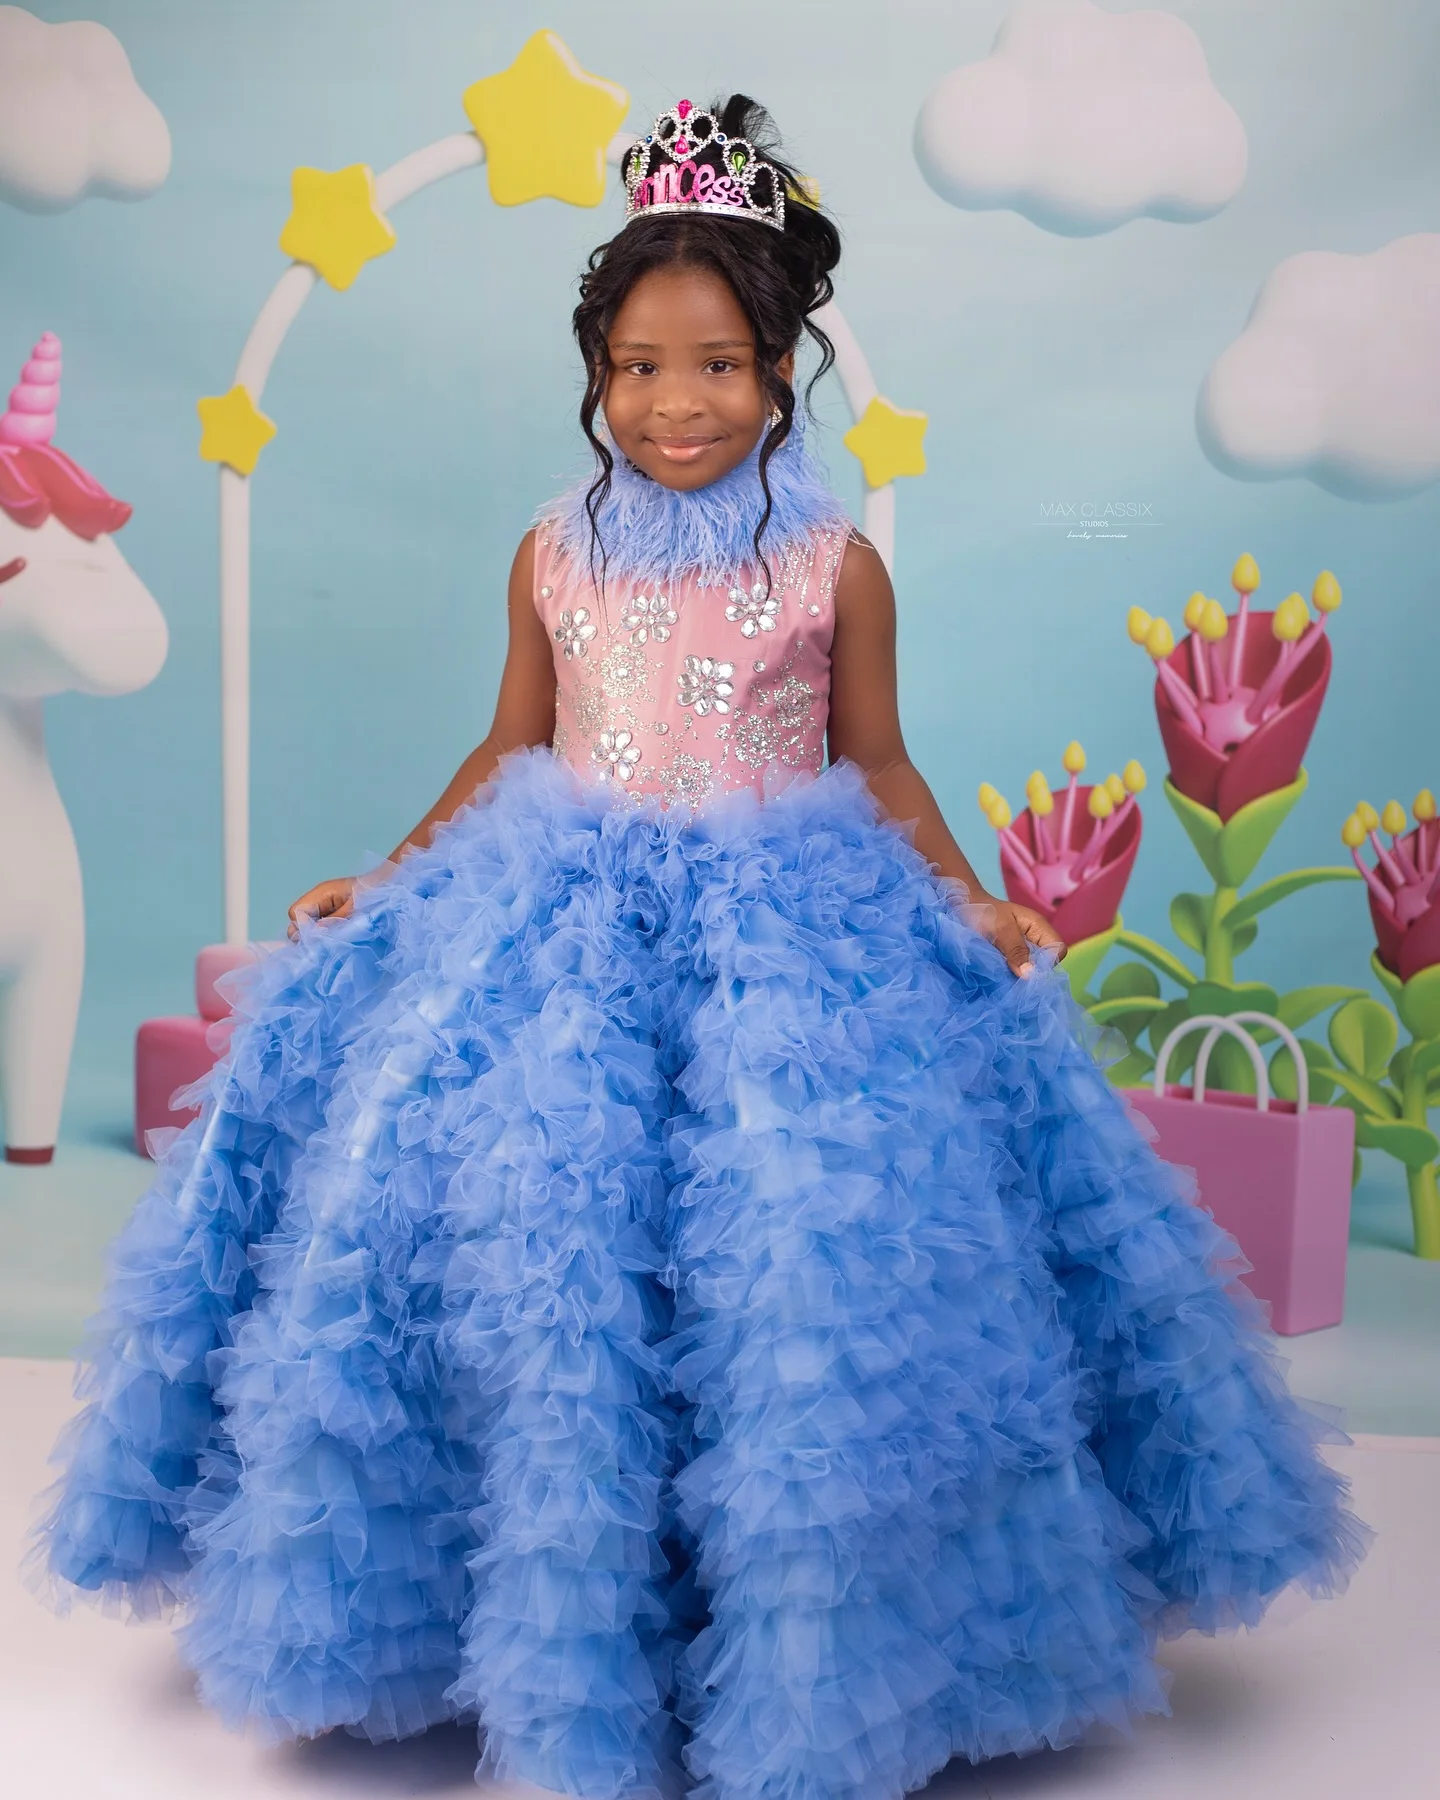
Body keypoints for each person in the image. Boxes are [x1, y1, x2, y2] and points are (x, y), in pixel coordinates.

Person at [35, 94, 1366, 1800]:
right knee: (545, 1257)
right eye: (642, 367)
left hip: (788, 956)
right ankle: (548, 1619)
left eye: (721, 364)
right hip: (560, 938)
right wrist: (394, 873)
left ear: (784, 363)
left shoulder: (833, 563)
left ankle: (814, 1636)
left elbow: (872, 760)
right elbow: (512, 741)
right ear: (597, 370)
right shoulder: (554, 554)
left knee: (803, 1268)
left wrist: (967, 893)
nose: (678, 404)